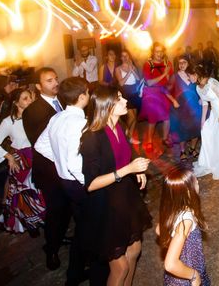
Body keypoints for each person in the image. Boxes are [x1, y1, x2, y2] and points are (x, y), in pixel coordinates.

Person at [79, 85, 152, 286]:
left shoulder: (118, 125)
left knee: (134, 250)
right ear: (107, 105)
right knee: (120, 267)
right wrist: (127, 170)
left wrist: (136, 168)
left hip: (125, 197)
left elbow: (126, 152)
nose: (125, 101)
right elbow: (91, 184)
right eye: (119, 98)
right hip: (106, 205)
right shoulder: (92, 137)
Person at [34, 76, 94, 285]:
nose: (89, 95)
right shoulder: (80, 123)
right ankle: (82, 271)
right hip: (78, 183)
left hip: (64, 181)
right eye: (87, 92)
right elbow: (74, 162)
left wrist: (58, 160)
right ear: (81, 97)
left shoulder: (57, 118)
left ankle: (76, 270)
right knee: (91, 225)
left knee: (83, 226)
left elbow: (41, 146)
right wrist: (89, 182)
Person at [23, 67, 68, 271]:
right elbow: (39, 143)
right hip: (50, 171)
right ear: (39, 86)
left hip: (67, 166)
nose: (55, 83)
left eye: (56, 78)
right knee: (55, 211)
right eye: (49, 81)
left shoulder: (64, 102)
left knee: (68, 209)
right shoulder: (33, 111)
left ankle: (60, 236)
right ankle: (51, 249)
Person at [0, 87, 45, 235]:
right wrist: (9, 157)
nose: (30, 101)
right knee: (26, 195)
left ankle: (40, 220)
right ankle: (30, 223)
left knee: (41, 192)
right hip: (23, 161)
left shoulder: (36, 116)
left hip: (38, 156)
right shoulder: (9, 122)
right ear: (16, 103)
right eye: (25, 99)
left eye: (31, 97)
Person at [157, 166, 210, 286]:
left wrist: (174, 241)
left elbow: (158, 229)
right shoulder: (186, 220)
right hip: (185, 277)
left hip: (178, 273)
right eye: (196, 182)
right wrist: (193, 275)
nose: (198, 184)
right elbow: (170, 264)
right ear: (188, 192)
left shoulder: (172, 209)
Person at [140, 43, 178, 152]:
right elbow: (149, 82)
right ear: (152, 52)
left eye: (161, 51)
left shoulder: (167, 63)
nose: (159, 54)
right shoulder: (148, 64)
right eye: (157, 51)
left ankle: (165, 138)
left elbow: (171, 79)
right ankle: (149, 141)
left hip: (164, 93)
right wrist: (163, 74)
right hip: (152, 94)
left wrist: (171, 85)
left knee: (167, 117)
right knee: (153, 119)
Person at [169, 56, 202, 160]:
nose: (182, 64)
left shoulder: (194, 74)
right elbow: (165, 91)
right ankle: (182, 151)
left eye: (184, 62)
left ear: (189, 63)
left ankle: (192, 149)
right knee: (182, 130)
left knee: (196, 128)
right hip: (181, 107)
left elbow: (201, 87)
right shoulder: (174, 76)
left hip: (195, 106)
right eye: (179, 63)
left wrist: (201, 97)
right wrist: (173, 101)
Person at [115, 49, 142, 142]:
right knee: (132, 117)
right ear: (121, 58)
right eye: (123, 56)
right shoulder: (118, 69)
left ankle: (129, 136)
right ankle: (123, 133)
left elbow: (138, 78)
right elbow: (121, 83)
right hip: (126, 93)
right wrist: (129, 72)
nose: (125, 58)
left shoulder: (132, 66)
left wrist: (132, 69)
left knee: (135, 117)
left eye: (127, 55)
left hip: (134, 92)